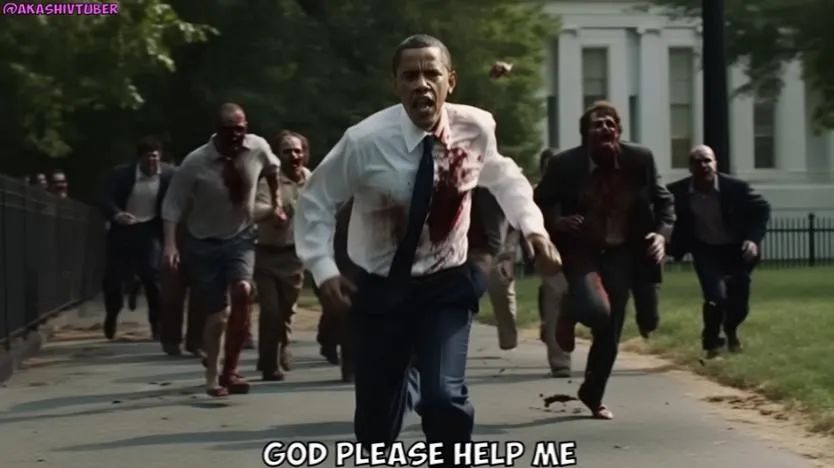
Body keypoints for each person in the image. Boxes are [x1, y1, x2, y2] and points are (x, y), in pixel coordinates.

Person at [293, 34, 561, 464]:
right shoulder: (364, 141)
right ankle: (402, 390)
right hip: (379, 289)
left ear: (450, 81)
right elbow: (316, 202)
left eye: (431, 73)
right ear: (396, 84)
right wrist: (323, 270)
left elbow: (505, 178)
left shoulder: (475, 128)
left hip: (445, 284)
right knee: (377, 428)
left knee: (444, 399)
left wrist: (535, 230)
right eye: (410, 76)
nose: (421, 84)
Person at [534, 100, 675, 420]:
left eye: (610, 123)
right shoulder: (564, 164)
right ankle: (571, 309)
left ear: (619, 132)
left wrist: (660, 235)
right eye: (597, 124)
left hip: (621, 251)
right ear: (586, 134)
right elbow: (539, 202)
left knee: (611, 328)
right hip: (581, 249)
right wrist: (556, 221)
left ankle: (592, 394)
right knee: (596, 311)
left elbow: (664, 201)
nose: (605, 128)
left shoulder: (640, 159)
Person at [161, 103, 284, 396]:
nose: (236, 136)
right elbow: (172, 205)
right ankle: (212, 376)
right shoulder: (196, 162)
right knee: (218, 315)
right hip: (203, 243)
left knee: (243, 291)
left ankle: (231, 369)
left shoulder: (257, 147)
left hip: (240, 237)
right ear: (218, 131)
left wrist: (277, 202)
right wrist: (170, 245)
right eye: (230, 131)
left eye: (240, 130)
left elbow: (273, 169)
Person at [667, 145, 770, 358]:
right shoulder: (678, 192)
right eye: (697, 161)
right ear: (690, 167)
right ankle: (712, 343)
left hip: (736, 250)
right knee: (715, 297)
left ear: (715, 163)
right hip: (705, 250)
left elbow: (762, 209)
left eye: (707, 160)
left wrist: (752, 239)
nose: (703, 165)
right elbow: (662, 213)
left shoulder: (736, 188)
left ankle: (730, 330)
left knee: (739, 304)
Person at [99, 137, 175, 340]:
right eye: (148, 157)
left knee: (152, 276)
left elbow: (178, 199)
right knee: (113, 279)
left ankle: (156, 324)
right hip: (123, 227)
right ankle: (112, 313)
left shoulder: (169, 175)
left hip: (150, 228)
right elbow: (105, 198)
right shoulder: (121, 174)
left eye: (156, 157)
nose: (152, 162)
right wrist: (117, 214)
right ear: (139, 158)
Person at [253, 130, 311, 381]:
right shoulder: (270, 181)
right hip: (267, 253)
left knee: (286, 311)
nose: (294, 156)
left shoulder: (310, 179)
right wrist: (274, 211)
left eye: (298, 150)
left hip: (295, 255)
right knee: (270, 310)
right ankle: (269, 364)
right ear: (278, 155)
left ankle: (283, 345)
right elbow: (255, 210)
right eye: (287, 151)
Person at [467, 186, 519, 350]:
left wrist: (507, 251)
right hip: (469, 248)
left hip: (500, 248)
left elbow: (515, 222)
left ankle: (508, 338)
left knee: (501, 291)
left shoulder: (497, 185)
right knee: (465, 295)